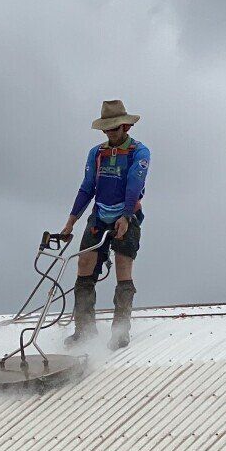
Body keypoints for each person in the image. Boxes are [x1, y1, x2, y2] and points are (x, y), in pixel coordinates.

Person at [59, 98, 150, 347]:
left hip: (126, 214)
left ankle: (121, 331)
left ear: (125, 127)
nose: (110, 133)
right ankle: (84, 330)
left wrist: (126, 216)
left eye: (114, 128)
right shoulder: (96, 153)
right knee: (84, 265)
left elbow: (134, 185)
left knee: (123, 267)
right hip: (100, 214)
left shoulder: (139, 153)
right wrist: (71, 222)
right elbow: (87, 188)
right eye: (106, 129)